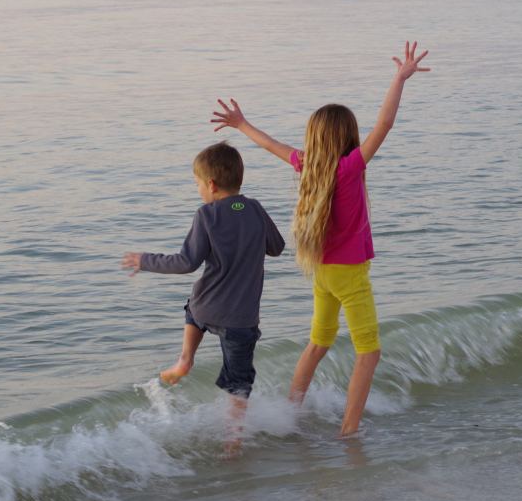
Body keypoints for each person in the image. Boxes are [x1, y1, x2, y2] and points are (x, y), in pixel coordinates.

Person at [211, 41, 430, 438]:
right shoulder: (348, 168)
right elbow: (385, 125)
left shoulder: (307, 166)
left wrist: (241, 125)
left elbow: (272, 145)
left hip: (323, 272)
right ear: (348, 136)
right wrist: (399, 79)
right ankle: (349, 431)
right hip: (350, 274)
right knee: (369, 351)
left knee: (318, 343)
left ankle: (291, 414)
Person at [121, 141, 285, 456]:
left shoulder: (206, 215)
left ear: (210, 184)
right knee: (238, 383)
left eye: (197, 184)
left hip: (206, 307)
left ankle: (185, 359)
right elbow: (276, 247)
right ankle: (232, 443)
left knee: (193, 310)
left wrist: (145, 260)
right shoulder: (254, 208)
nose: (198, 190)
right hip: (241, 320)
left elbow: (187, 262)